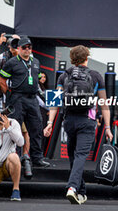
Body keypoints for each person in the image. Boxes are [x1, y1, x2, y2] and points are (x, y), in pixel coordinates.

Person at [44, 45, 113, 205]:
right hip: (87, 121)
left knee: (73, 157)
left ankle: (80, 192)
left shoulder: (64, 76)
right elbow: (104, 105)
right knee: (81, 156)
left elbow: (54, 102)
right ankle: (72, 188)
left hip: (69, 121)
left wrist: (49, 123)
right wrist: (108, 127)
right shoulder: (96, 76)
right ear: (87, 58)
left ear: (72, 59)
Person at [0, 36, 50, 168]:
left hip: (32, 99)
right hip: (18, 99)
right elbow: (1, 80)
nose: (27, 49)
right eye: (24, 47)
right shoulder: (12, 62)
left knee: (37, 128)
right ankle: (11, 158)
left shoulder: (36, 62)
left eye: (29, 47)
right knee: (14, 129)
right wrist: (9, 94)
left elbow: (38, 79)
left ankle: (37, 158)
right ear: (18, 48)